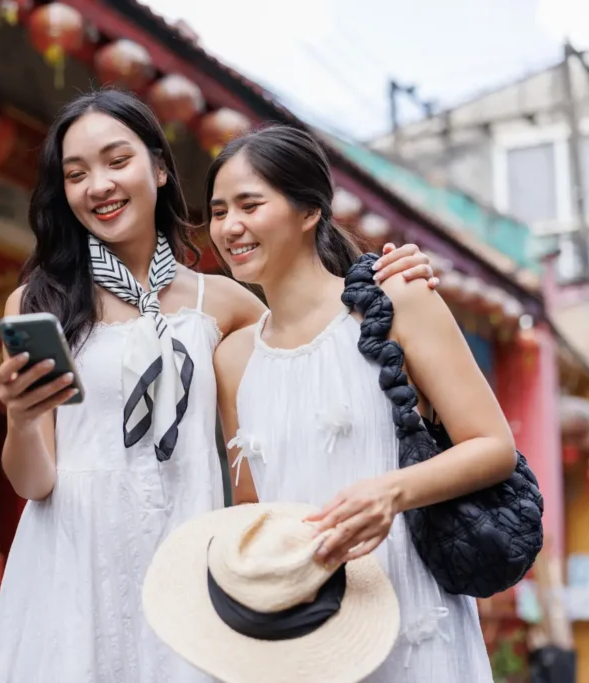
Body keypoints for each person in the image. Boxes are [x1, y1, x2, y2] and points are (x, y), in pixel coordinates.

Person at [0, 89, 437, 683]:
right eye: (76, 174)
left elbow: (310, 361)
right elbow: (33, 483)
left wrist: (385, 283)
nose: (99, 185)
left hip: (189, 554)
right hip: (72, 557)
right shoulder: (39, 304)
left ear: (160, 168)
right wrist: (21, 419)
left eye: (117, 161)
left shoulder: (228, 303)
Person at [209, 125, 516, 682]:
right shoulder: (233, 359)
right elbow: (252, 509)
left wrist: (390, 493)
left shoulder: (398, 301)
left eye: (250, 205)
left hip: (411, 613)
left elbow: (493, 447)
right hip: (306, 629)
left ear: (310, 211)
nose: (230, 226)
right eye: (218, 211)